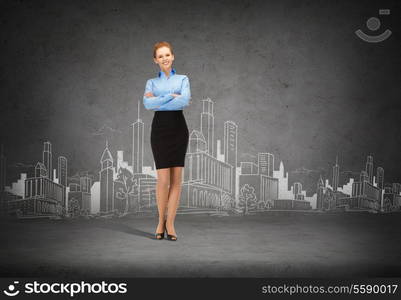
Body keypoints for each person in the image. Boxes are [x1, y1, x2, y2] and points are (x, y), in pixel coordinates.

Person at [143, 41, 191, 241]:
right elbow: (147, 103)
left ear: (173, 56)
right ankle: (160, 221)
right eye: (160, 56)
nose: (164, 58)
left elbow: (184, 101)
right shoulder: (151, 83)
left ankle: (170, 224)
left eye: (167, 55)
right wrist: (170, 96)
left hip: (179, 129)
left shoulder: (183, 79)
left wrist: (159, 99)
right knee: (163, 180)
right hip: (160, 130)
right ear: (155, 60)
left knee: (176, 181)